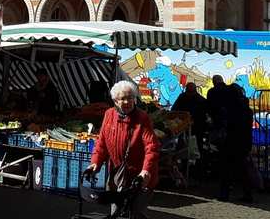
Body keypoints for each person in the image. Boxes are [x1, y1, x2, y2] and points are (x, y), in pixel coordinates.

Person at [86, 81, 160, 219]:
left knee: (135, 212)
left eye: (130, 98)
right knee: (116, 212)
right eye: (123, 98)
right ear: (115, 100)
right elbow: (101, 143)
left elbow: (152, 147)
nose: (127, 102)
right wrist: (95, 162)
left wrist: (146, 171)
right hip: (117, 174)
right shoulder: (109, 114)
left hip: (139, 176)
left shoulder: (142, 117)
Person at [218, 84, 254, 202]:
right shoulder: (247, 109)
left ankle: (224, 193)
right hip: (244, 141)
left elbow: (227, 125)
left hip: (231, 141)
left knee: (226, 169)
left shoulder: (229, 109)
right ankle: (247, 193)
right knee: (243, 168)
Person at [171, 82, 207, 156]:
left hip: (185, 126)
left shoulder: (183, 96)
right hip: (193, 126)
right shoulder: (200, 99)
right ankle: (197, 156)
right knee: (197, 144)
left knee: (183, 144)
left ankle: (182, 156)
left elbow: (173, 109)